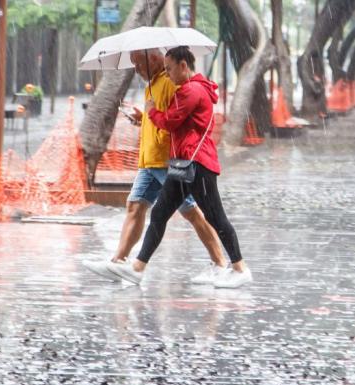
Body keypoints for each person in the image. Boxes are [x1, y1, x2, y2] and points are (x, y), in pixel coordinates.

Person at [105, 46, 252, 289]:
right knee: (159, 213)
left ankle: (240, 268)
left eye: (170, 69)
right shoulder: (191, 88)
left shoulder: (191, 90)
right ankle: (138, 268)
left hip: (197, 164)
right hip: (183, 164)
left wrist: (151, 112)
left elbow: (170, 121)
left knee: (215, 217)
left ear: (184, 65)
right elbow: (176, 122)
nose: (168, 74)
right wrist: (149, 115)